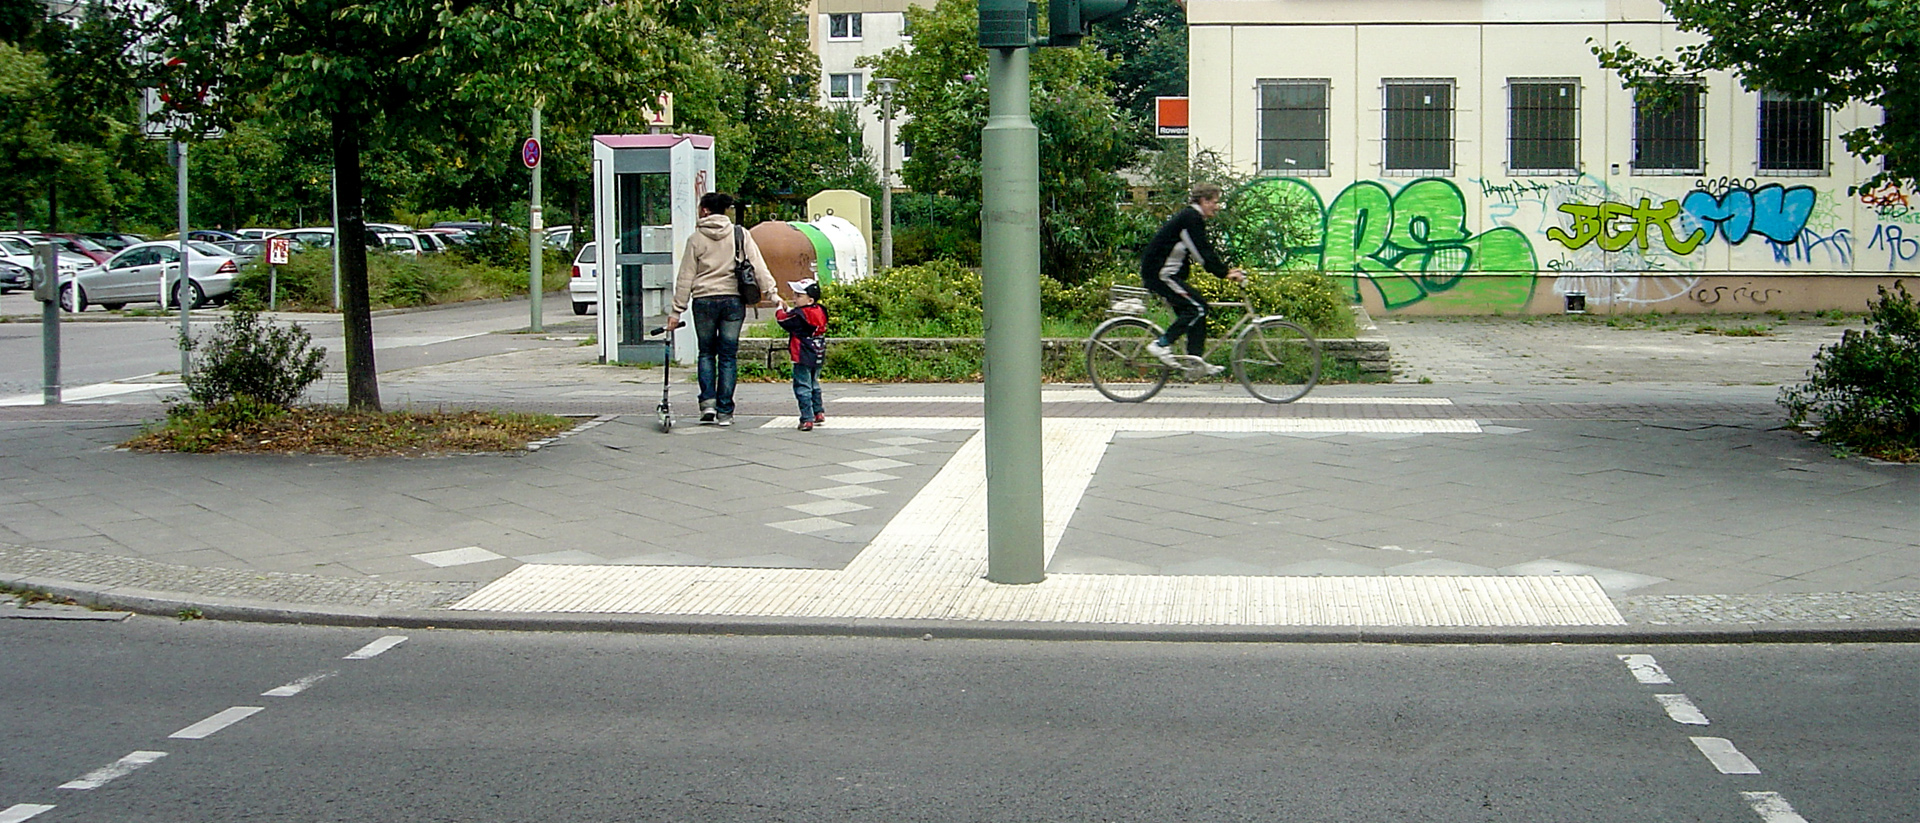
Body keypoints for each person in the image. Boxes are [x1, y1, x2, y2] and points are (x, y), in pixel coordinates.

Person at [665, 192, 776, 427]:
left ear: (705, 210)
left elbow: (686, 277)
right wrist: (773, 294)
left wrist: (676, 311)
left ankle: (708, 405)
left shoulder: (696, 239)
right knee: (727, 356)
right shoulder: (740, 234)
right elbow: (758, 266)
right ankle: (725, 412)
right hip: (732, 302)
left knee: (706, 353)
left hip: (704, 301)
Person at [1139, 181, 1246, 377]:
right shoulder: (1191, 218)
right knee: (1198, 307)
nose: (1217, 206)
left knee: (1198, 311)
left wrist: (1224, 270)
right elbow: (1202, 253)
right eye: (1214, 201)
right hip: (1160, 275)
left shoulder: (1190, 217)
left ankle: (1194, 364)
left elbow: (1198, 252)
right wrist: (1225, 272)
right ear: (1203, 201)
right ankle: (1160, 344)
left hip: (1165, 274)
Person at [774, 278, 829, 431]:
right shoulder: (820, 310)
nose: (794, 298)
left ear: (810, 299)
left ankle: (807, 418)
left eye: (799, 296)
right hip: (818, 351)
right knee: (814, 383)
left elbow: (783, 320)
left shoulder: (799, 315)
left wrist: (780, 308)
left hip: (802, 354)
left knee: (802, 386)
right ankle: (818, 412)